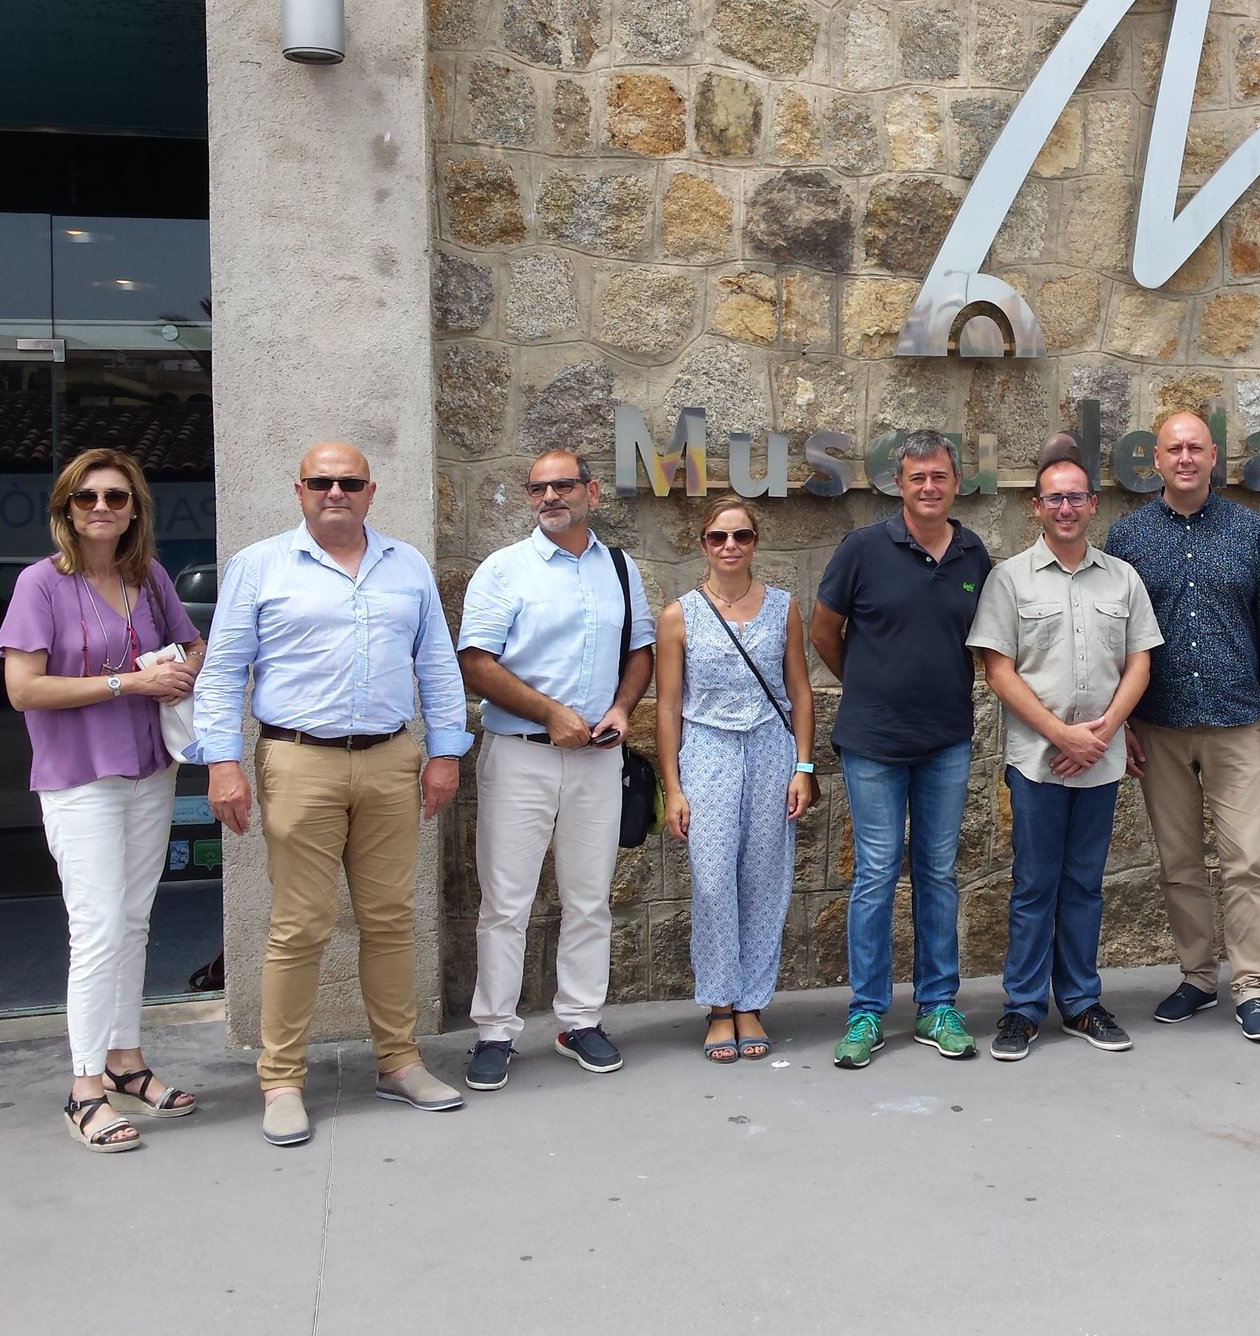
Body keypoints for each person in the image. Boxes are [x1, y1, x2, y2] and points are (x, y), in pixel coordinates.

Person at [191, 442, 473, 1145]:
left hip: (389, 759)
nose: (336, 492)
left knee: (389, 918)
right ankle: (282, 1078)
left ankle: (399, 1062)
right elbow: (223, 672)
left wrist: (445, 753)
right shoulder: (258, 566)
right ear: (300, 491)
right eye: (323, 482)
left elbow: (436, 664)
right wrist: (221, 762)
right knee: (299, 925)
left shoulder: (405, 564)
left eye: (350, 482)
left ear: (371, 491)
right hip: (298, 762)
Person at [1, 449, 205, 1153]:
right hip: (79, 777)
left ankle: (126, 1062)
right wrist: (128, 685)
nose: (101, 508)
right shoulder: (40, 584)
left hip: (147, 769)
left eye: (116, 498)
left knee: (134, 920)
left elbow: (192, 643)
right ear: (64, 508)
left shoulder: (145, 578)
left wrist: (176, 671)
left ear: (133, 510)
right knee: (96, 928)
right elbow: (23, 688)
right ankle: (83, 1086)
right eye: (86, 497)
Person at [455, 450, 654, 1090]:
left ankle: (579, 1021)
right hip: (520, 756)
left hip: (597, 758)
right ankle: (494, 1031)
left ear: (591, 491)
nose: (548, 497)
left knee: (589, 899)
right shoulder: (504, 569)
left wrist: (623, 709)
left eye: (561, 485)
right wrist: (551, 714)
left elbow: (641, 650)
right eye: (537, 488)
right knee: (506, 903)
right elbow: (476, 662)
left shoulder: (621, 568)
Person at [1106, 411, 1260, 1043]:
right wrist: (1123, 723)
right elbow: (1117, 638)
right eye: (1174, 449)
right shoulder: (1128, 537)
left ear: (1213, 456)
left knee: (1247, 860)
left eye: (1196, 448)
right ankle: (1197, 976)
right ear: (1157, 460)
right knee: (1179, 863)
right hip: (1158, 726)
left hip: (1236, 723)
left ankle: (1252, 984)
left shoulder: (1249, 531)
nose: (1186, 458)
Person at [968, 451, 1161, 1060]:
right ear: (1037, 507)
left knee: (1084, 885)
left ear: (1093, 504)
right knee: (1033, 886)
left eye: (1076, 496)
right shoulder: (1010, 578)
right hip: (1039, 762)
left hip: (1100, 759)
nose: (1066, 507)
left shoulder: (1122, 578)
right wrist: (1060, 733)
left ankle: (1080, 1002)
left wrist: (1102, 733)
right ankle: (1022, 1010)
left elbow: (1139, 662)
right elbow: (997, 668)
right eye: (1054, 498)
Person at [810, 431, 991, 1068]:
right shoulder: (863, 548)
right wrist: (866, 683)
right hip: (873, 743)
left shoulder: (973, 553)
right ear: (899, 483)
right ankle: (865, 1013)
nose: (929, 488)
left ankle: (937, 1005)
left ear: (956, 480)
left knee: (938, 873)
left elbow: (982, 642)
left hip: (945, 740)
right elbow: (823, 630)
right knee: (877, 873)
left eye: (939, 476)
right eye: (917, 478)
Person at [657, 495, 815, 1062]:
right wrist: (672, 786)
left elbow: (799, 691)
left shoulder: (782, 607)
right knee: (714, 880)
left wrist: (803, 767)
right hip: (707, 752)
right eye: (719, 537)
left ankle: (751, 1002)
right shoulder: (680, 614)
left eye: (742, 536)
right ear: (702, 543)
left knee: (765, 879)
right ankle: (719, 1004)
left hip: (772, 751)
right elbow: (668, 706)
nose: (730, 546)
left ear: (754, 542)